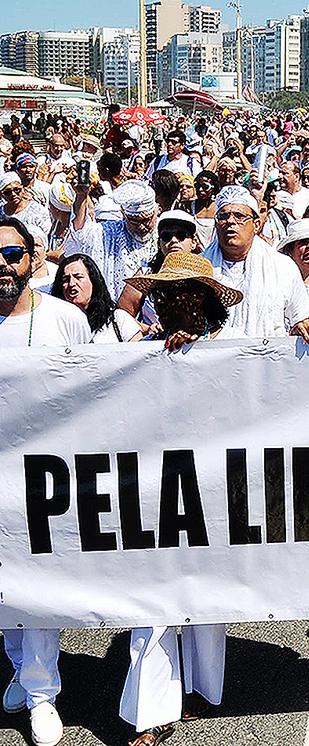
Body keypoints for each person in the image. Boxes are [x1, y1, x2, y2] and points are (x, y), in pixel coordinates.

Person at [119, 252, 244, 745]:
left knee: (207, 600)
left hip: (216, 492)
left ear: (209, 301)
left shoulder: (234, 346)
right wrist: (149, 355)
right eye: (165, 294)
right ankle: (151, 714)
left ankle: (200, 689)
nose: (174, 302)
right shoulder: (142, 348)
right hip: (156, 492)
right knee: (152, 605)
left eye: (186, 293)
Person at [0, 216, 91, 746]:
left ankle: (42, 693)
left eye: (13, 254)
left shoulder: (63, 319)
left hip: (45, 479)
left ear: (33, 259)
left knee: (34, 583)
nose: (3, 265)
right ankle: (22, 666)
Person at [201, 185, 309, 346]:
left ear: (256, 224)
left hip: (266, 362)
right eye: (223, 216)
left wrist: (307, 324)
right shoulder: (199, 269)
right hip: (212, 363)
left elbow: (301, 316)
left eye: (239, 216)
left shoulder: (282, 267)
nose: (230, 221)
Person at [66, 179, 160, 300]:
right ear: (125, 216)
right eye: (134, 221)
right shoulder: (112, 232)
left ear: (155, 213)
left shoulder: (165, 232)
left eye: (147, 220)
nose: (141, 226)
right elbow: (81, 235)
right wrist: (81, 197)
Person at [51, 252, 142, 342]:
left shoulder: (118, 319)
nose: (71, 284)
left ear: (93, 281)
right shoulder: (57, 327)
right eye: (66, 279)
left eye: (78, 277)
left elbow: (139, 353)